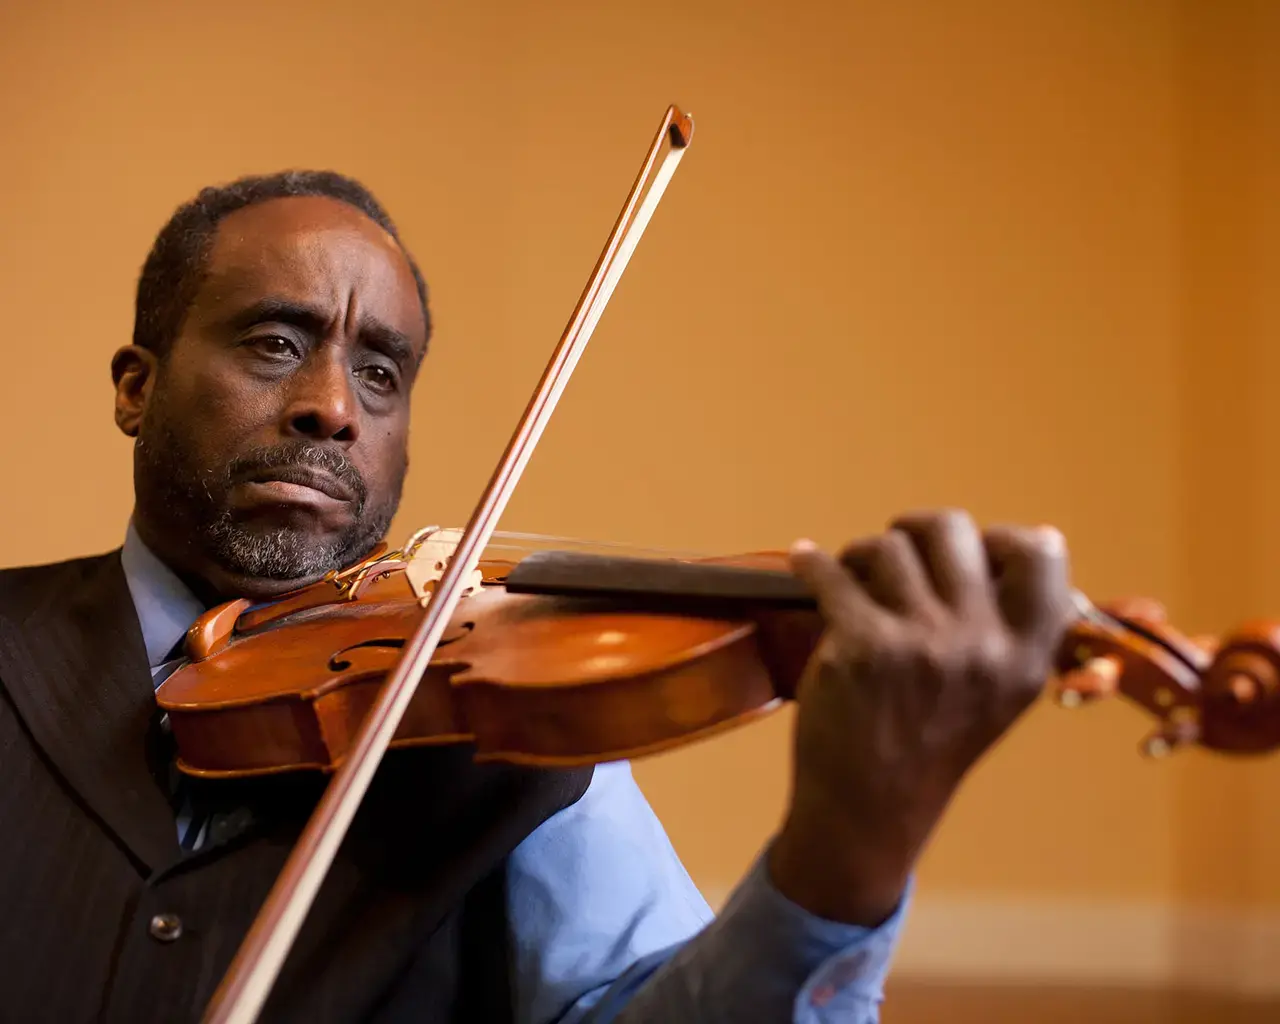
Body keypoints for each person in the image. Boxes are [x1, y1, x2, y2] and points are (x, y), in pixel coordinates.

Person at [0, 171, 1075, 1024]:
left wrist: (853, 839)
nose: (332, 406)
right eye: (275, 343)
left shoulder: (510, 728)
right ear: (136, 386)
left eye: (381, 373)